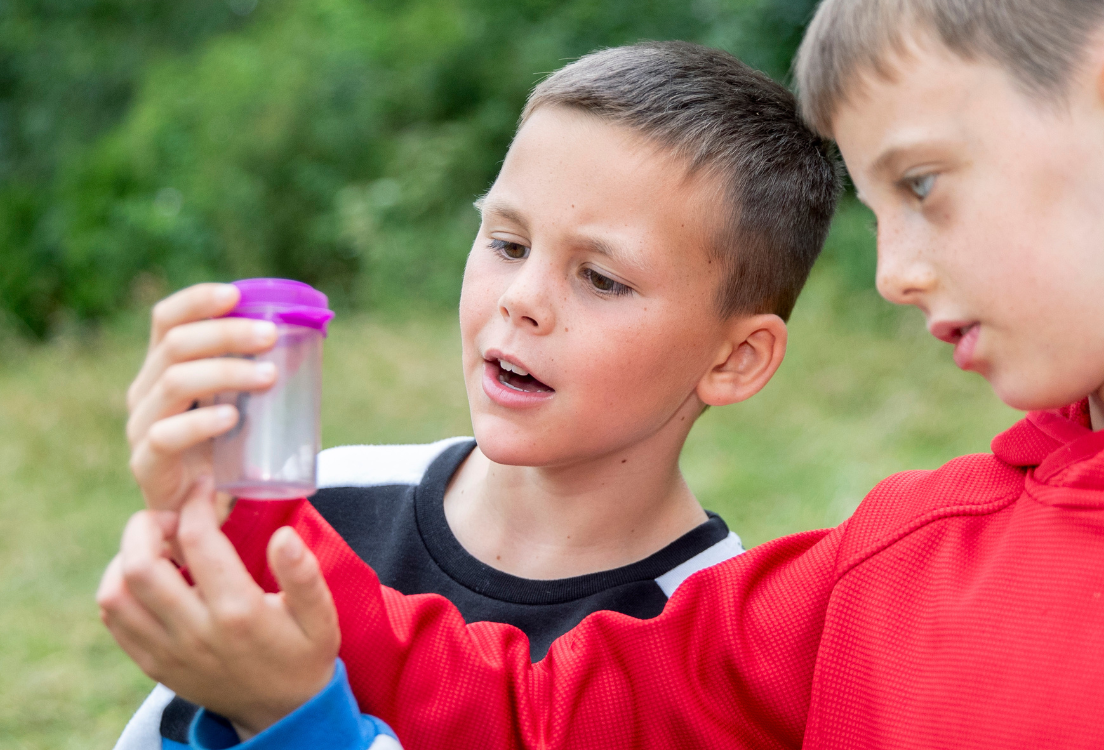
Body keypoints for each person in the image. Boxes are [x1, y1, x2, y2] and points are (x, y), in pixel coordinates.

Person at [107, 0, 1104, 747]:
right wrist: (238, 493)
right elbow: (522, 708)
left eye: (926, 185)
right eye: (876, 208)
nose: (891, 270)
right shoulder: (894, 563)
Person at [97, 41, 840, 749]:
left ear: (737, 358)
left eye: (602, 278)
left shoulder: (715, 651)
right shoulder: (320, 500)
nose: (521, 299)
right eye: (508, 244)